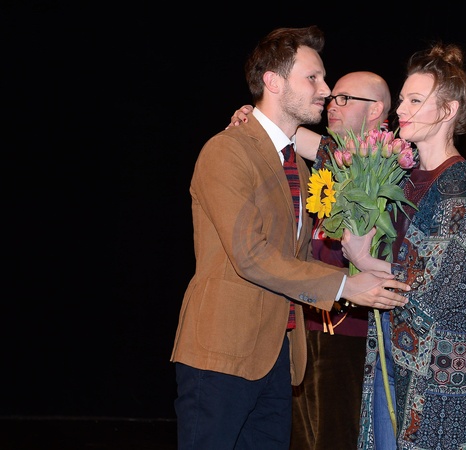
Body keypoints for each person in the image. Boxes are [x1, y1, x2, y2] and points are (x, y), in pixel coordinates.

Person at [170, 26, 409, 450]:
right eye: (313, 78)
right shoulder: (227, 151)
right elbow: (250, 256)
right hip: (222, 352)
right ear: (274, 82)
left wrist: (363, 278)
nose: (326, 89)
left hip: (277, 356)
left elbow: (294, 257)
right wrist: (344, 285)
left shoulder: (294, 163)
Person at [228, 71, 393, 450]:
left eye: (344, 99)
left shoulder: (394, 165)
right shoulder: (329, 159)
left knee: (336, 435)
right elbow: (284, 131)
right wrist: (253, 117)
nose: (332, 105)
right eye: (331, 98)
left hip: (355, 328)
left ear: (376, 110)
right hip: (307, 320)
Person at [341, 43, 466, 449]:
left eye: (415, 100)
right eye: (402, 98)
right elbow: (334, 153)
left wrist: (362, 258)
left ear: (448, 110)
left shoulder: (461, 186)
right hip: (389, 347)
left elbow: (430, 285)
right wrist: (263, 120)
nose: (401, 109)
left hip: (433, 370)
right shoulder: (404, 177)